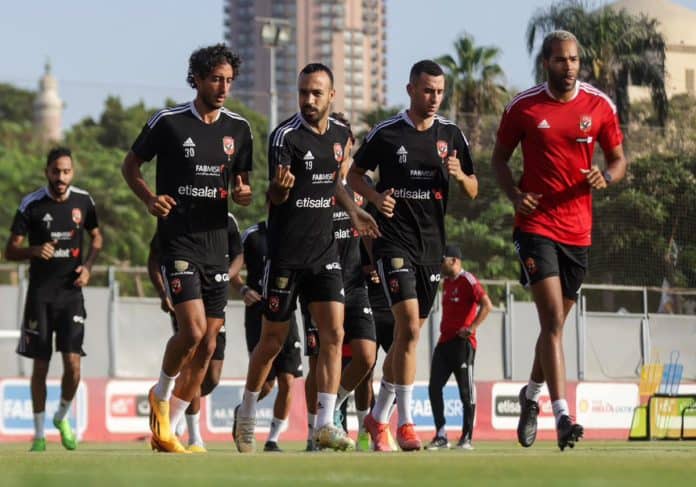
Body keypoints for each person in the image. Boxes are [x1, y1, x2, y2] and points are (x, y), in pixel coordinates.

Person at [491, 30, 627, 451]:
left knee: (555, 325)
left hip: (578, 232)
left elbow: (618, 160)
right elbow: (498, 160)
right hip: (535, 227)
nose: (568, 67)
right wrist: (515, 195)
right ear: (545, 63)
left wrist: (607, 176)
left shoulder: (599, 106)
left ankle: (530, 396)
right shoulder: (524, 107)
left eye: (574, 59)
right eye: (560, 60)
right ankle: (564, 417)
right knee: (551, 320)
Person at [233, 63, 378, 453]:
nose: (308, 100)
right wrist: (279, 190)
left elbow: (333, 184)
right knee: (272, 342)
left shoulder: (341, 135)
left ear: (331, 96)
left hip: (324, 254)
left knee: (334, 334)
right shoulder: (284, 136)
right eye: (303, 93)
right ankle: (247, 410)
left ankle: (325, 423)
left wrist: (353, 211)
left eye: (316, 93)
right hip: (285, 256)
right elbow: (274, 196)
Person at [122, 43, 253, 453]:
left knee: (209, 345)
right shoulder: (169, 122)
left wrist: (243, 193)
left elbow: (242, 184)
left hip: (216, 247)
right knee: (192, 331)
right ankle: (160, 394)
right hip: (178, 242)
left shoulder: (239, 129)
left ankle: (169, 429)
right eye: (216, 79)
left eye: (229, 80)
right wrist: (149, 199)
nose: (223, 88)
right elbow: (130, 165)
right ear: (196, 79)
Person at [348, 59, 478, 451]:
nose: (434, 98)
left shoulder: (451, 135)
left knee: (409, 335)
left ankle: (377, 417)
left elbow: (474, 188)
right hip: (393, 242)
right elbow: (354, 176)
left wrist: (460, 175)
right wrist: (375, 198)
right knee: (408, 325)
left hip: (431, 249)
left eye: (439, 91)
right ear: (410, 90)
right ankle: (405, 423)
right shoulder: (387, 133)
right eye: (427, 90)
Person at [6, 147, 102, 452]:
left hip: (71, 294)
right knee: (40, 366)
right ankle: (38, 435)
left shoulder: (84, 201)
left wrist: (88, 267)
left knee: (73, 365)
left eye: (66, 171)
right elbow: (10, 250)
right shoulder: (31, 204)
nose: (61, 177)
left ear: (72, 173)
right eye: (56, 171)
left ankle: (61, 415)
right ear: (47, 171)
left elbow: (97, 237)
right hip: (40, 296)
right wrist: (33, 250)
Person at [147, 212, 243, 452]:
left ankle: (171, 420)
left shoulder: (228, 220)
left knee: (210, 364)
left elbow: (238, 255)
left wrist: (226, 276)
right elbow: (154, 258)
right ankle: (191, 435)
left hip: (215, 282)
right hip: (186, 285)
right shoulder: (176, 215)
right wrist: (162, 292)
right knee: (194, 339)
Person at [231, 218, 303, 452]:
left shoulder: (296, 231)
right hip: (258, 313)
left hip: (287, 311)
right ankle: (243, 410)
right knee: (268, 384)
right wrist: (243, 289)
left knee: (288, 380)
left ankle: (273, 439)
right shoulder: (252, 235)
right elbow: (231, 269)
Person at [426, 245, 492, 451]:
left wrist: (471, 328)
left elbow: (487, 304)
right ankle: (441, 435)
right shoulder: (446, 283)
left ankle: (467, 437)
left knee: (466, 392)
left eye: (443, 260)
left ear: (454, 260)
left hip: (462, 345)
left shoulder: (468, 280)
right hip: (444, 343)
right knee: (434, 387)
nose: (440, 264)